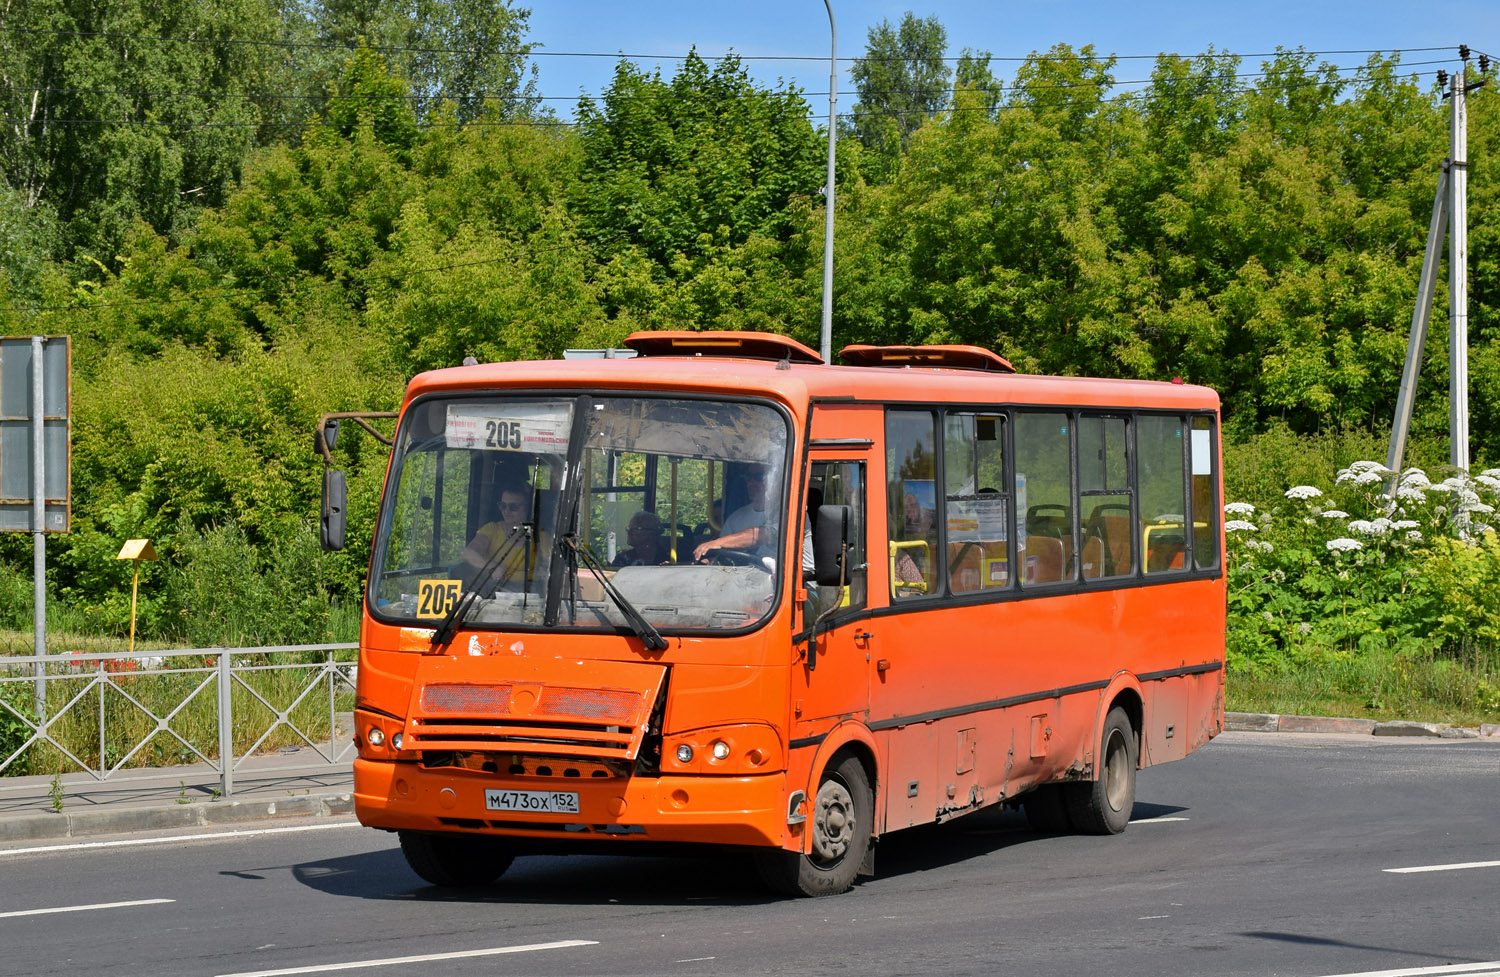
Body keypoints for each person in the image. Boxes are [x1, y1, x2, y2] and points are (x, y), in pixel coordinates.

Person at [459, 482, 550, 590]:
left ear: (528, 508)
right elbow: (468, 553)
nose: (506, 511)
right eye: (503, 505)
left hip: (528, 594)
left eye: (513, 507)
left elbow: (550, 567)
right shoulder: (492, 529)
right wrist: (492, 567)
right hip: (494, 590)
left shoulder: (541, 537)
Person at [694, 465, 774, 562]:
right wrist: (709, 560)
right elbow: (720, 552)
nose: (751, 482)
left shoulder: (786, 513)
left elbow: (764, 535)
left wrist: (718, 543)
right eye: (748, 477)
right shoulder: (736, 517)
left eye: (759, 477)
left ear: (774, 480)